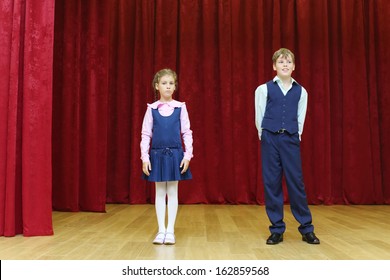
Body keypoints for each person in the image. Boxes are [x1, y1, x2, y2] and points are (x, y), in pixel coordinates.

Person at [254, 48, 320, 245]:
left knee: (296, 183)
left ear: (293, 66)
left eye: (288, 62)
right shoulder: (263, 89)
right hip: (270, 138)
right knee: (272, 183)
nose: (285, 65)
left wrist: (295, 136)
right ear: (274, 66)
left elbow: (301, 117)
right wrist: (264, 136)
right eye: (281, 62)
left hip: (290, 139)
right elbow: (259, 115)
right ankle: (276, 229)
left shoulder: (301, 91)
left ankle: (306, 228)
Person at [140, 68, 193, 245]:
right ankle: (161, 230)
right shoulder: (151, 109)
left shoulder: (181, 107)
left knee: (173, 191)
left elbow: (187, 132)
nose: (168, 86)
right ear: (157, 86)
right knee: (160, 192)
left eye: (171, 83)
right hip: (157, 155)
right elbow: (146, 134)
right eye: (164, 83)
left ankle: (170, 230)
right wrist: (145, 158)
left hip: (175, 155)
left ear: (175, 86)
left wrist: (187, 155)